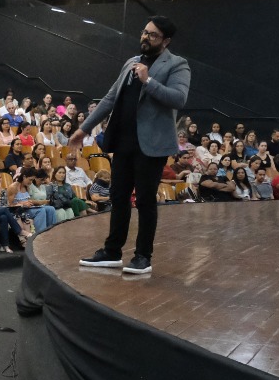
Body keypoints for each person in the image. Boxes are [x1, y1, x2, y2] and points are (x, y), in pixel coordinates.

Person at [71, 16, 191, 277]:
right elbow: (110, 98)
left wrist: (149, 81)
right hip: (124, 140)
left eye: (153, 35)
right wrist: (83, 129)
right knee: (118, 196)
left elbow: (179, 98)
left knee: (146, 200)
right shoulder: (130, 62)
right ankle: (112, 251)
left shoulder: (177, 65)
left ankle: (142, 256)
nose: (145, 38)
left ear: (166, 41)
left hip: (152, 145)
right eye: (144, 32)